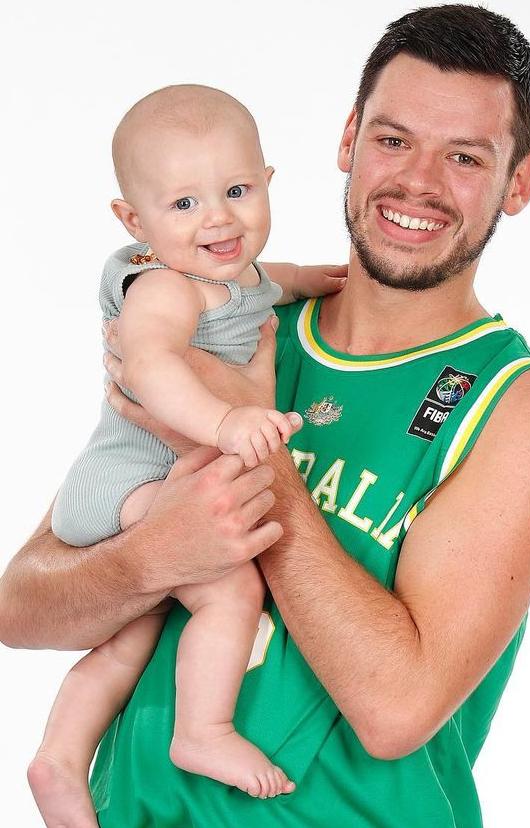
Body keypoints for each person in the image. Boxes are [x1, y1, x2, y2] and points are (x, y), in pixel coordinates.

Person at [0, 5, 530, 827]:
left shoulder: (520, 410)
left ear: (516, 183)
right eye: (392, 139)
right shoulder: (231, 327)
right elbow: (21, 604)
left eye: (463, 156)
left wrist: (259, 465)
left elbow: (396, 710)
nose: (417, 180)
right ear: (348, 139)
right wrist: (150, 557)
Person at [24, 84, 350, 826]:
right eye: (184, 205)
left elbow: (269, 285)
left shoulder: (224, 273)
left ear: (267, 183)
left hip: (133, 481)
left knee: (129, 639)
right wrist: (226, 417)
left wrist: (311, 281)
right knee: (228, 588)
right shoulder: (164, 287)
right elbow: (149, 366)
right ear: (132, 222)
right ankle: (202, 732)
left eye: (236, 191)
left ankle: (60, 759)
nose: (218, 219)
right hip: (125, 479)